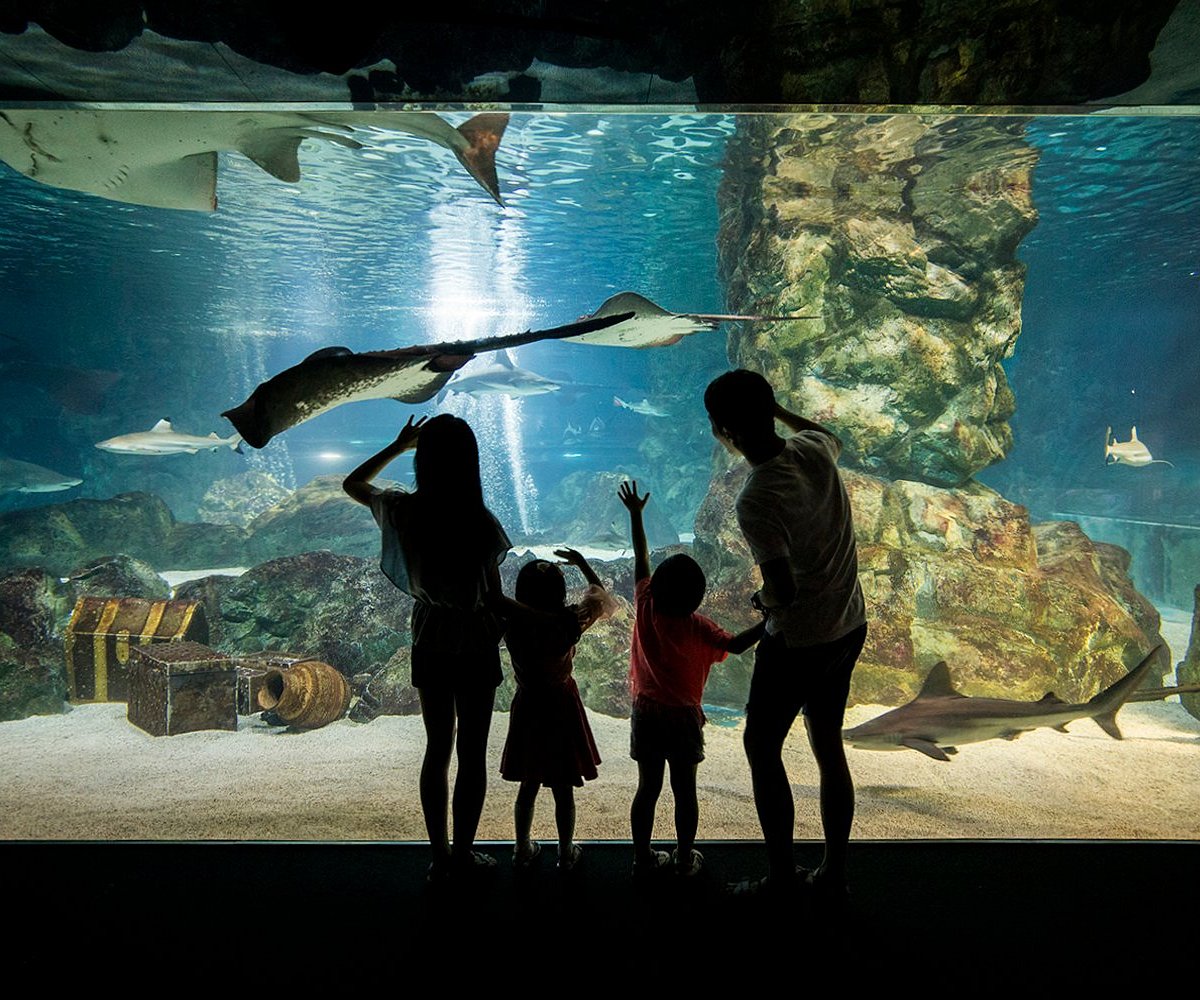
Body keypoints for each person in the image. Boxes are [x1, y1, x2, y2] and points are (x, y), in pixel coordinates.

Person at [703, 369, 867, 898]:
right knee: (828, 745)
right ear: (771, 410)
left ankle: (780, 878)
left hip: (798, 641)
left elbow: (783, 589)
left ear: (724, 431)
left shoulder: (756, 496)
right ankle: (834, 873)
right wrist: (774, 410)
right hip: (848, 623)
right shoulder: (814, 450)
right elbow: (825, 432)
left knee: (760, 745)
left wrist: (762, 602)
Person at [343, 413, 511, 882]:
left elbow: (353, 484)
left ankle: (440, 856)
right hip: (475, 639)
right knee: (472, 752)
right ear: (471, 463)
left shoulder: (403, 510)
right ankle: (464, 853)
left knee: (438, 748)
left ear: (424, 460)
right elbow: (495, 597)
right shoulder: (480, 522)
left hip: (430, 635)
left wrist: (397, 446)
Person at [618, 480, 766, 878]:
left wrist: (636, 515)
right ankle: (684, 860)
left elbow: (641, 559)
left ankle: (642, 858)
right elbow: (736, 645)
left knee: (647, 789)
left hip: (647, 714)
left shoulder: (646, 605)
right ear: (698, 597)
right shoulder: (701, 627)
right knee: (685, 792)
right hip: (684, 718)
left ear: (656, 589)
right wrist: (769, 620)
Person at [500, 549, 616, 873]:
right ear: (560, 594)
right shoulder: (568, 622)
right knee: (563, 787)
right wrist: (582, 563)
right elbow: (599, 597)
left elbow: (490, 600)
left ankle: (522, 848)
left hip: (529, 704)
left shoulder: (512, 623)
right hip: (561, 705)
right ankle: (566, 853)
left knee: (529, 783)